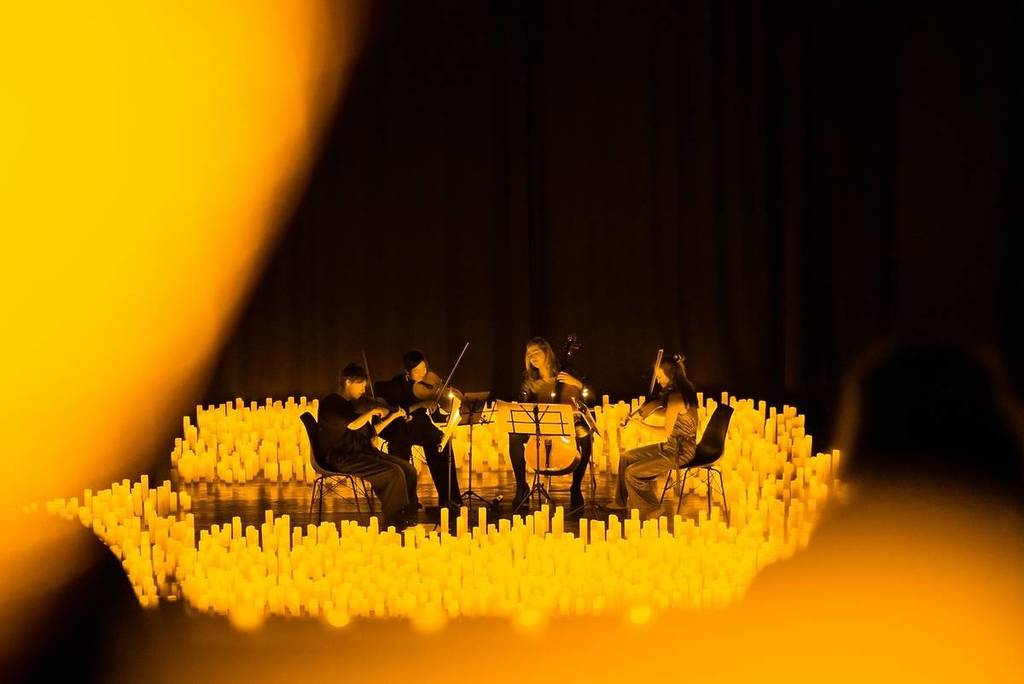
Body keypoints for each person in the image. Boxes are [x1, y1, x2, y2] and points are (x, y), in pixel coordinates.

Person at [317, 363, 420, 527]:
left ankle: (409, 511)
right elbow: (352, 425)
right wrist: (371, 412)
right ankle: (394, 520)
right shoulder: (332, 403)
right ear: (348, 382)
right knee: (394, 473)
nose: (364, 390)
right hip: (342, 457)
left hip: (362, 451)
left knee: (408, 469)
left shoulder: (353, 405)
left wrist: (394, 416)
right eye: (361, 386)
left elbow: (372, 430)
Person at [509, 337, 593, 512]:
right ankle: (521, 487)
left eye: (536, 352)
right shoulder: (529, 379)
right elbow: (522, 406)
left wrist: (577, 383)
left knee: (586, 437)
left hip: (568, 422)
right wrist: (527, 393)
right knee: (515, 435)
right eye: (529, 354)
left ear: (547, 353)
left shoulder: (568, 371)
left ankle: (575, 488)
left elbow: (591, 396)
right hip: (540, 424)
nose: (532, 357)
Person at [613, 353, 699, 519]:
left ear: (670, 375)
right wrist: (644, 413)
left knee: (631, 473)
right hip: (670, 447)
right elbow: (670, 416)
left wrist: (640, 424)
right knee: (626, 457)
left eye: (660, 376)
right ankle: (620, 502)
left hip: (679, 452)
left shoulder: (676, 398)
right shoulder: (678, 392)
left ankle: (652, 510)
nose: (657, 380)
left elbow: (665, 431)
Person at [376, 350, 463, 508]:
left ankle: (449, 497)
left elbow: (434, 415)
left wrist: (442, 408)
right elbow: (397, 410)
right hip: (399, 427)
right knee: (399, 447)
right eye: (417, 371)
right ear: (407, 373)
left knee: (442, 442)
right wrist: (420, 404)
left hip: (420, 425)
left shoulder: (426, 385)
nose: (423, 374)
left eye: (425, 369)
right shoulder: (396, 386)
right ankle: (406, 501)